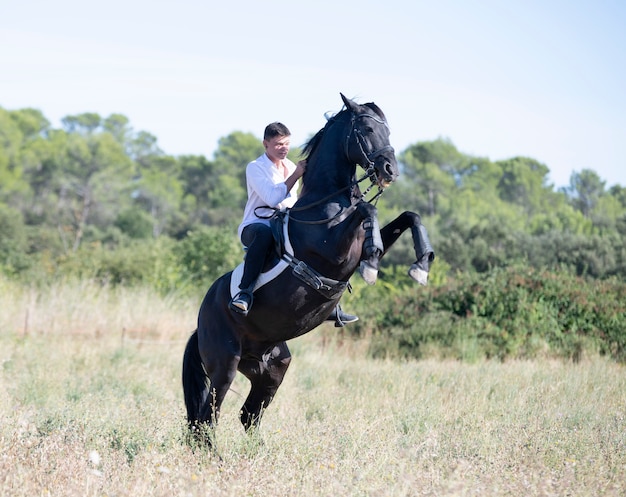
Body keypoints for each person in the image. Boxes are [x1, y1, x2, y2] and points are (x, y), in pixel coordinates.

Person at [229, 122, 358, 326]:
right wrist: (297, 174)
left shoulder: (290, 165)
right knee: (264, 235)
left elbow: (296, 200)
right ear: (266, 144)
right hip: (256, 225)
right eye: (279, 144)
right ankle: (244, 294)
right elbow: (272, 199)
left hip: (285, 223)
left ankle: (331, 306)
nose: (284, 148)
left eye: (287, 143)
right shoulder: (255, 167)